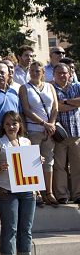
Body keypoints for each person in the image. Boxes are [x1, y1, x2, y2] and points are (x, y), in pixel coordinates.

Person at [0, 111, 41, 255]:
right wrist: (0, 167)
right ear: (3, 126)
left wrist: (37, 162)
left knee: (26, 228)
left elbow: (31, 169)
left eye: (14, 123)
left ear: (20, 125)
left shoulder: (27, 142)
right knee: (10, 229)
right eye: (7, 124)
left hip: (27, 190)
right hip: (7, 190)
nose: (11, 127)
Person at [19, 61, 58, 206]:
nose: (35, 73)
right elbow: (26, 110)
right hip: (34, 129)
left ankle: (49, 192)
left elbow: (55, 107)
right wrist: (44, 124)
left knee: (48, 161)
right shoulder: (24, 88)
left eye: (37, 71)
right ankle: (36, 192)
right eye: (32, 71)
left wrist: (51, 124)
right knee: (33, 161)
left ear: (43, 72)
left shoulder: (50, 86)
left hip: (49, 130)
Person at [52, 63, 80, 204]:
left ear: (69, 74)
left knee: (77, 166)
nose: (62, 75)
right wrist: (73, 105)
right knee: (59, 167)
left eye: (65, 73)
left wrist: (65, 101)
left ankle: (77, 194)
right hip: (59, 135)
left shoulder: (77, 86)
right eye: (59, 73)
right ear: (54, 75)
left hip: (76, 134)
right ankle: (61, 194)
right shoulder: (50, 88)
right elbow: (55, 107)